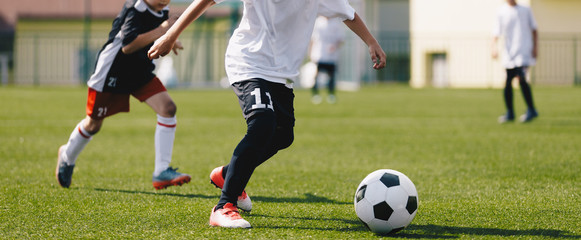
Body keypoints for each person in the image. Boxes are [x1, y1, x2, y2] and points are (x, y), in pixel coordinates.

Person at [148, 0, 386, 228]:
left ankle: (228, 173)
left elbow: (348, 13)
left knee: (283, 135)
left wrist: (371, 42)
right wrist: (170, 35)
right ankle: (224, 206)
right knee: (262, 124)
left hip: (281, 73)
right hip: (249, 63)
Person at [56, 0, 191, 190]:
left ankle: (161, 171)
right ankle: (67, 155)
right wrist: (163, 31)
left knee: (168, 109)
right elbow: (128, 45)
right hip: (113, 71)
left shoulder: (161, 9)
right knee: (93, 124)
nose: (165, 0)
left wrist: (170, 40)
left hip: (139, 72)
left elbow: (155, 30)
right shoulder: (135, 9)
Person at [492, 0, 539, 123]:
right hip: (509, 54)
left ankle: (531, 109)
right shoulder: (502, 11)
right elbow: (496, 32)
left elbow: (534, 29)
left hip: (523, 52)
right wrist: (494, 47)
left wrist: (535, 47)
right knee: (508, 82)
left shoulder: (525, 10)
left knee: (521, 78)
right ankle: (510, 112)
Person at [309, 15, 345, 104]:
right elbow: (313, 39)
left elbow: (341, 39)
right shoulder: (318, 22)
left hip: (331, 55)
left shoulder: (336, 23)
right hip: (319, 54)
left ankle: (331, 94)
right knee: (316, 75)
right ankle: (315, 94)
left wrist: (335, 47)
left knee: (331, 76)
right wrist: (310, 53)